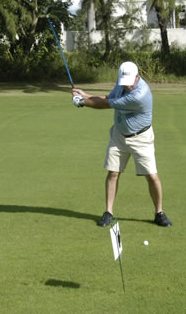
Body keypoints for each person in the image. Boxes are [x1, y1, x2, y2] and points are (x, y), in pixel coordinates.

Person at [71, 61, 172, 227]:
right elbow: (108, 98)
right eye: (124, 83)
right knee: (113, 173)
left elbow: (106, 105)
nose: (127, 86)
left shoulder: (139, 95)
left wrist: (82, 102)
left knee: (152, 176)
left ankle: (159, 212)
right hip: (119, 136)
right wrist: (86, 95)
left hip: (141, 138)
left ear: (138, 77)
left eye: (130, 83)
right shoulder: (122, 84)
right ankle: (108, 212)